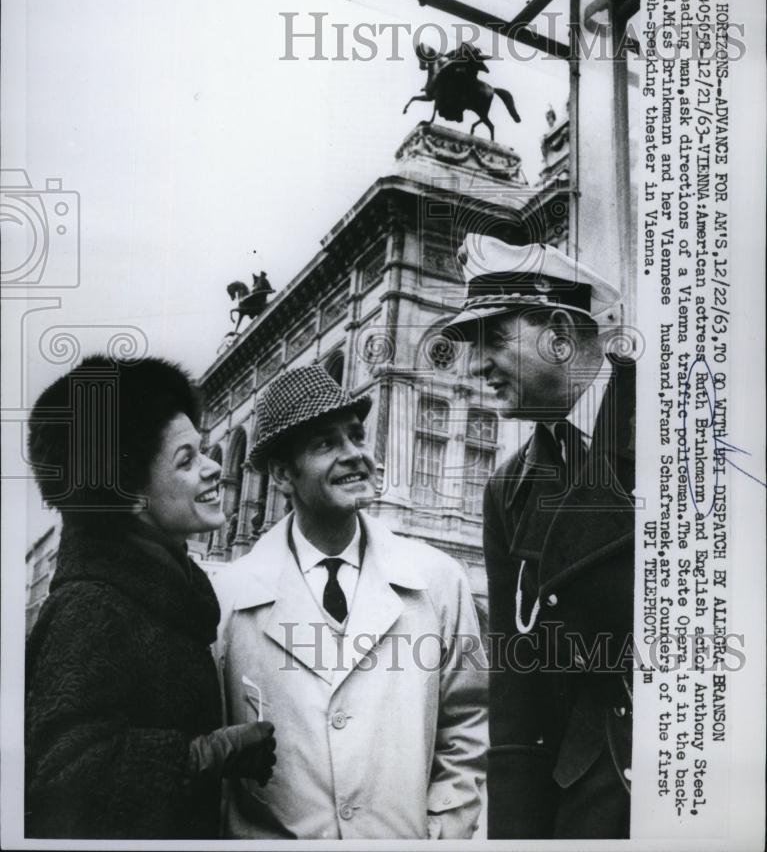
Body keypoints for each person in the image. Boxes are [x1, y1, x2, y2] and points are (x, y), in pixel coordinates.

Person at [214, 365, 487, 840]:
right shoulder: (229, 597)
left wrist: (445, 827)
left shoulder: (438, 579)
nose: (355, 455)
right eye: (325, 444)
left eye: (357, 436)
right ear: (282, 474)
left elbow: (466, 720)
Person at [25, 355, 276, 839]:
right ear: (131, 494)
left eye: (204, 452)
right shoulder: (93, 608)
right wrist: (208, 754)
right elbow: (63, 782)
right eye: (187, 460)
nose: (213, 469)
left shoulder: (160, 594)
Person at [441, 236, 635, 839]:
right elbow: (518, 701)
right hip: (581, 804)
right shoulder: (510, 489)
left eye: (493, 339)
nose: (473, 367)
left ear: (559, 332)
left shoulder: (680, 423)